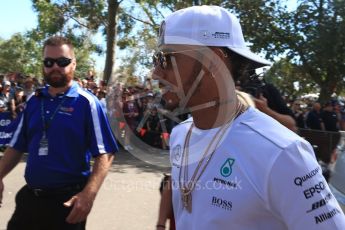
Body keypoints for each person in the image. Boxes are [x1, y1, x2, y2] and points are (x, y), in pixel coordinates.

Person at [152, 5, 345, 230]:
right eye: (156, 59)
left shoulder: (282, 152)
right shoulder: (180, 135)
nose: (156, 72)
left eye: (166, 58)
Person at [0, 36, 118, 230]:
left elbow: (105, 153)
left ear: (73, 64)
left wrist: (89, 195)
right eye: (49, 62)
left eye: (62, 62)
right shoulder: (34, 101)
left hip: (66, 205)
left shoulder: (87, 103)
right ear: (43, 66)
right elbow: (16, 146)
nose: (55, 67)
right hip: (30, 199)